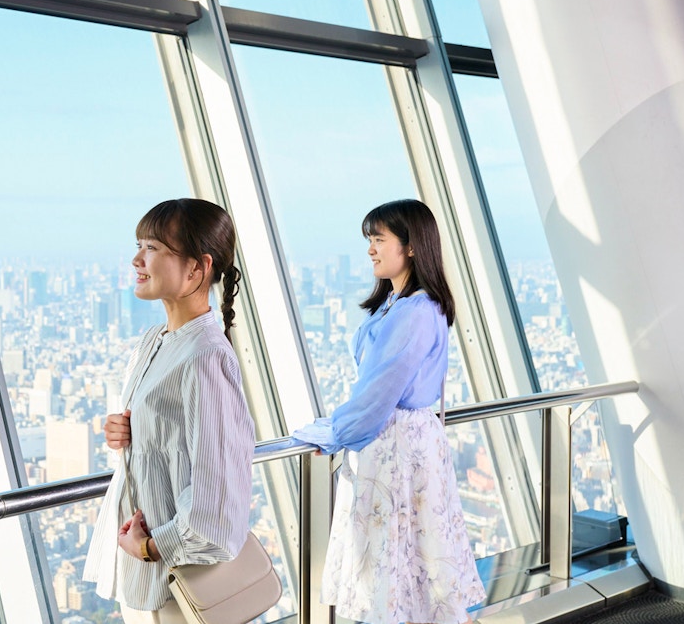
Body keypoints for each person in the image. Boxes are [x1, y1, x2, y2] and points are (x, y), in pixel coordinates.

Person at [293, 199, 486, 624]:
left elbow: (379, 392)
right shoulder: (403, 304)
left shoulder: (414, 312)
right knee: (415, 561)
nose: (370, 249)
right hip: (406, 443)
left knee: (395, 559)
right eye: (370, 240)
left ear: (411, 246)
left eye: (379, 239)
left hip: (398, 446)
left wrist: (334, 432)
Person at [83, 198, 256, 624]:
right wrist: (123, 431)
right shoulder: (155, 340)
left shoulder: (203, 357)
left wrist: (147, 547)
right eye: (140, 244)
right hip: (150, 577)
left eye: (154, 248)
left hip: (177, 582)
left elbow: (216, 500)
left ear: (198, 268)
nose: (137, 258)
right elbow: (168, 439)